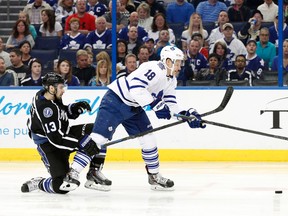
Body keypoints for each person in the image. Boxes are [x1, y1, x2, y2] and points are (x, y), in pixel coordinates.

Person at [70, 45, 206, 191]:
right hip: (116, 101)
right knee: (99, 138)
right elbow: (135, 88)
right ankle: (73, 172)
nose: (180, 66)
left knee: (148, 138)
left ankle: (154, 176)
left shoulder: (170, 80)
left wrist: (187, 116)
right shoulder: (154, 69)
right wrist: (156, 104)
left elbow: (171, 106)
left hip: (134, 107)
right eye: (177, 63)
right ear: (168, 61)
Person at [21, 72, 100, 194]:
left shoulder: (48, 95)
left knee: (98, 130)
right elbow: (56, 139)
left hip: (63, 134)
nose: (63, 90)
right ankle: (40, 183)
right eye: (61, 87)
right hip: (48, 145)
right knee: (61, 186)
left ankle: (94, 172)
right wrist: (80, 142)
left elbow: (61, 112)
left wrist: (73, 108)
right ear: (51, 88)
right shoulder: (46, 108)